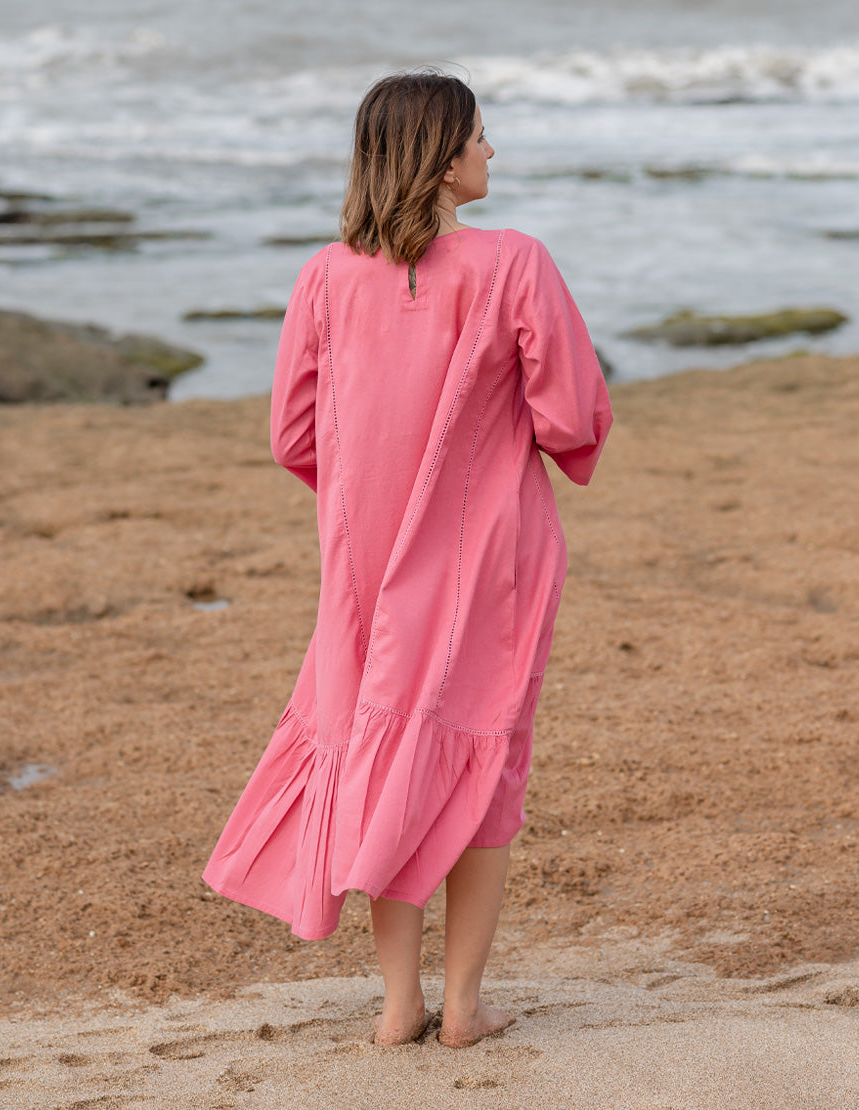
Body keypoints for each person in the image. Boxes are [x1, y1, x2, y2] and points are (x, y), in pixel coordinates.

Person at [202, 71, 612, 1048]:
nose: (490, 152)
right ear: (439, 154)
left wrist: (367, 499)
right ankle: (464, 1006)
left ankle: (400, 1005)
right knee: (483, 759)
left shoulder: (324, 275)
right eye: (478, 135)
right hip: (491, 560)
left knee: (385, 758)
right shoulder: (517, 263)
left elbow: (290, 435)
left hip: (366, 569)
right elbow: (570, 417)